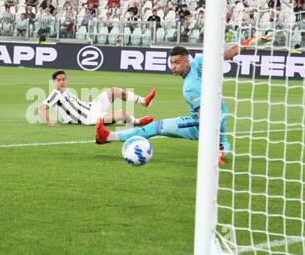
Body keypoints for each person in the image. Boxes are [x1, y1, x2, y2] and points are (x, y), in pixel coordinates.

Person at [95, 36, 272, 164]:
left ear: (186, 62)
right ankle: (219, 149)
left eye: (177, 62)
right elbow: (227, 54)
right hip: (221, 113)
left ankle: (107, 136)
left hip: (198, 124)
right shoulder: (201, 61)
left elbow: (204, 118)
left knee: (153, 128)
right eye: (171, 62)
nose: (173, 66)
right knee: (223, 142)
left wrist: (209, 141)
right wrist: (253, 41)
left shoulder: (189, 88)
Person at [38, 71, 156, 126]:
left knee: (114, 91)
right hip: (89, 118)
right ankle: (137, 122)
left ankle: (143, 101)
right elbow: (41, 108)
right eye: (58, 80)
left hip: (92, 106)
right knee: (122, 114)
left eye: (63, 79)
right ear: (54, 82)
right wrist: (48, 122)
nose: (62, 82)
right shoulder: (55, 94)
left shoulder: (66, 91)